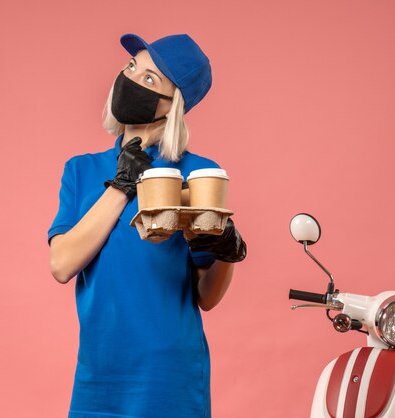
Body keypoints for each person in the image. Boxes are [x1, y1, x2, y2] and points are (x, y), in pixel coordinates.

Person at [47, 33, 246, 418]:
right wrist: (122, 186)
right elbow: (62, 264)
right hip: (98, 374)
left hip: (167, 376)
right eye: (132, 67)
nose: (131, 79)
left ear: (172, 107)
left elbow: (206, 296)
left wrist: (226, 254)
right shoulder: (81, 170)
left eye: (151, 80)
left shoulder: (196, 174)